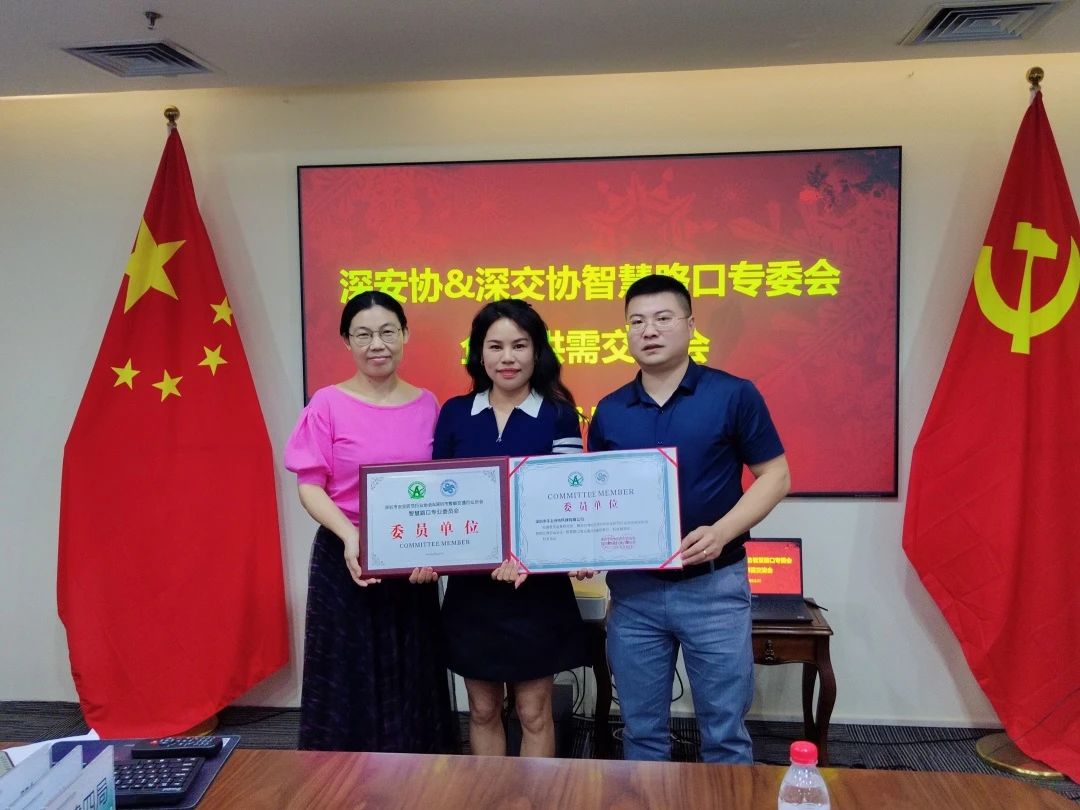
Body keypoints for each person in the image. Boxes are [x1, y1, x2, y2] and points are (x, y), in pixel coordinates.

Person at [587, 274, 790, 764]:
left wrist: (722, 532)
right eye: (637, 321)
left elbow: (776, 475)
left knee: (724, 733)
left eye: (663, 318)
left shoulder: (733, 394)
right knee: (641, 732)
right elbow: (598, 499)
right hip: (634, 593)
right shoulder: (610, 411)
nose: (649, 330)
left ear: (691, 324)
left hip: (714, 588)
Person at [284, 291, 458, 753]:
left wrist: (437, 551)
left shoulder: (427, 405)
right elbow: (310, 485)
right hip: (347, 556)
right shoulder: (326, 404)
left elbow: (442, 488)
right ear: (346, 341)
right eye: (362, 335)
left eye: (387, 332)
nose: (376, 344)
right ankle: (342, 781)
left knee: (413, 671)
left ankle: (417, 778)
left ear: (405, 335)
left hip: (411, 558)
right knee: (347, 674)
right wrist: (350, 536)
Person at [432, 299, 587, 757]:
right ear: (479, 353)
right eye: (495, 346)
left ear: (537, 351)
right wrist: (429, 553)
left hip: (535, 588)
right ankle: (491, 794)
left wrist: (529, 556)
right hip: (473, 589)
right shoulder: (455, 412)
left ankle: (536, 795)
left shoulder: (558, 413)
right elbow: (441, 498)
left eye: (519, 345)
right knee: (482, 710)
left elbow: (565, 501)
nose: (507, 357)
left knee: (533, 712)